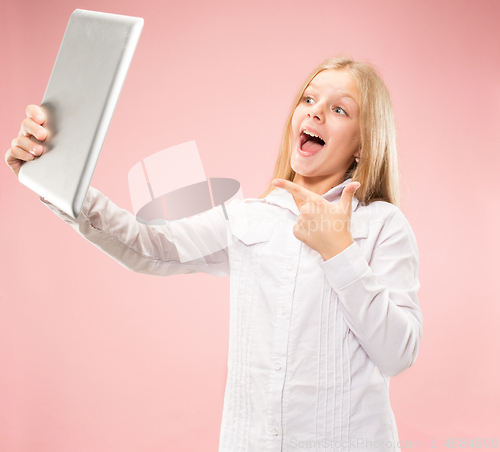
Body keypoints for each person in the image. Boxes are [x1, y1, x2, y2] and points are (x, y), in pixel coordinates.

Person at [5, 56, 423, 452]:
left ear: (363, 146)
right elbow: (147, 246)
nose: (314, 113)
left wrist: (340, 251)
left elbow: (397, 354)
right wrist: (57, 178)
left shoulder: (382, 226)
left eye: (339, 110)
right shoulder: (247, 218)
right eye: (309, 99)